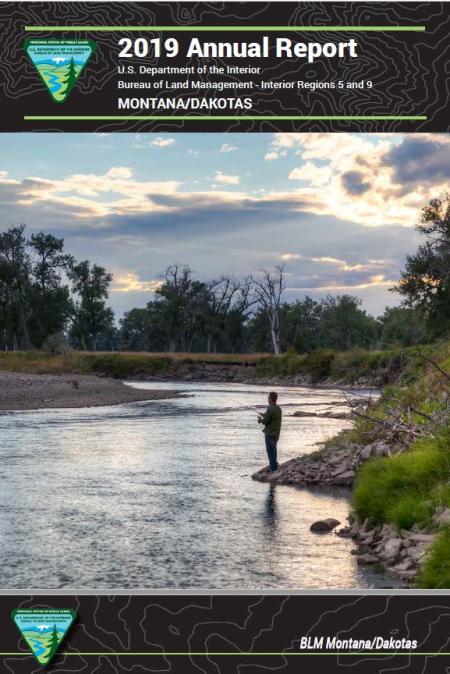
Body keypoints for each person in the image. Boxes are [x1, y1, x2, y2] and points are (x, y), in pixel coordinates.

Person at [258, 391, 282, 472]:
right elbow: (271, 417)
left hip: (270, 433)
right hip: (276, 434)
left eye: (268, 397)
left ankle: (273, 469)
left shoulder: (270, 408)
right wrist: (264, 415)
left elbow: (265, 421)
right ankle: (274, 466)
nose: (268, 399)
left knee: (270, 451)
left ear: (271, 399)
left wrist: (260, 420)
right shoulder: (278, 409)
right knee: (274, 451)